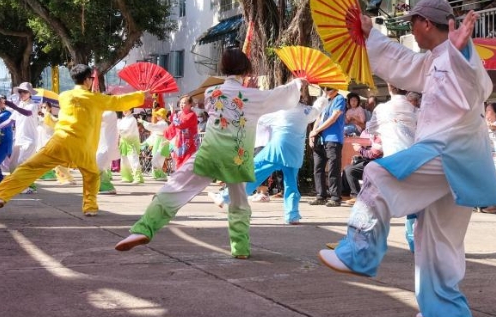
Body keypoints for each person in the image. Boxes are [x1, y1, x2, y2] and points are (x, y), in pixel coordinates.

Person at [319, 0, 496, 317]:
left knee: (376, 173)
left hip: (449, 151)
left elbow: (478, 85)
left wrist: (462, 53)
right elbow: (400, 60)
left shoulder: (458, 53)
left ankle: (358, 253)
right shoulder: (432, 60)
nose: (411, 31)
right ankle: (446, 308)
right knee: (435, 234)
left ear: (426, 23)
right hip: (461, 158)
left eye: (412, 23)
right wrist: (370, 34)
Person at [114, 48, 305, 258]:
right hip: (237, 157)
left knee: (175, 186)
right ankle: (240, 248)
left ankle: (143, 228)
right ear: (247, 70)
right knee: (239, 201)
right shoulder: (255, 96)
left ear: (222, 68)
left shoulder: (210, 94)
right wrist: (297, 83)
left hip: (210, 151)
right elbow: (281, 96)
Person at [0, 64, 145, 215]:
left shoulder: (64, 96)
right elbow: (118, 101)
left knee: (29, 168)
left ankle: (0, 195)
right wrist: (141, 95)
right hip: (82, 146)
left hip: (59, 141)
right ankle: (90, 207)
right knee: (92, 175)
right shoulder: (96, 99)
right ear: (88, 79)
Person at [242, 89, 320, 224]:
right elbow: (316, 111)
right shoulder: (306, 110)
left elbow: (260, 118)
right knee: (291, 183)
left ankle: (228, 196)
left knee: (254, 171)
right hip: (293, 153)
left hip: (277, 150)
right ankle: (292, 215)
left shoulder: (280, 110)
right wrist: (321, 101)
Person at [366, 83, 419, 252]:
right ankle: (414, 243)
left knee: (381, 202)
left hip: (390, 161)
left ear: (389, 87)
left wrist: (388, 129)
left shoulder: (381, 108)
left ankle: (376, 242)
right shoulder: (415, 111)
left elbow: (371, 128)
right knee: (413, 204)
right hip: (412, 162)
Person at [309, 87, 346, 207]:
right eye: (324, 88)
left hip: (333, 138)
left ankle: (335, 197)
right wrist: (313, 133)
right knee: (318, 168)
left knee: (333, 168)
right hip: (320, 138)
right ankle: (321, 195)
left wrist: (318, 130)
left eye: (328, 88)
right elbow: (318, 117)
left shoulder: (339, 99)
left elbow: (334, 117)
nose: (325, 90)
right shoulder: (324, 100)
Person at [7, 82, 40, 194]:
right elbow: (10, 121)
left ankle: (24, 187)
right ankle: (20, 185)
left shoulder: (33, 105)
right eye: (20, 91)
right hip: (19, 139)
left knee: (22, 163)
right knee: (12, 164)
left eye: (25, 92)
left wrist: (13, 106)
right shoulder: (20, 105)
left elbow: (27, 113)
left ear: (30, 93)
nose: (22, 94)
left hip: (30, 140)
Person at [166, 95, 198, 170]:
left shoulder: (192, 115)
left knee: (188, 164)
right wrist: (165, 134)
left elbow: (180, 124)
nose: (181, 105)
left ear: (190, 105)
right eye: (180, 103)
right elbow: (173, 125)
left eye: (184, 103)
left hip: (190, 143)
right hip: (180, 143)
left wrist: (173, 113)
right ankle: (181, 180)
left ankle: (187, 180)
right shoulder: (179, 114)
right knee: (179, 163)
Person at [141, 108, 170, 181]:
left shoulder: (163, 124)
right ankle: (156, 175)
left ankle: (162, 175)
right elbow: (154, 134)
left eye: (158, 115)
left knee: (156, 160)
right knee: (158, 160)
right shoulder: (160, 123)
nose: (157, 116)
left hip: (163, 142)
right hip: (158, 141)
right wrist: (145, 143)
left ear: (162, 115)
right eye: (157, 115)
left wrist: (144, 122)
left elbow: (152, 127)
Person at [97, 111, 121, 195]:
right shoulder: (103, 111)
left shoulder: (110, 112)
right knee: (96, 166)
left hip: (107, 145)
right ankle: (104, 187)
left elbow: (96, 118)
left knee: (97, 165)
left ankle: (108, 187)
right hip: (102, 144)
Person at [117, 109, 144, 184]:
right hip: (124, 141)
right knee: (124, 160)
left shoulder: (132, 119)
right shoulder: (123, 119)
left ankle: (138, 177)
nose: (124, 110)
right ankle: (127, 177)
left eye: (127, 109)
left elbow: (127, 130)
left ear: (131, 110)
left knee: (133, 159)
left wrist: (118, 130)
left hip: (131, 142)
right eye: (124, 109)